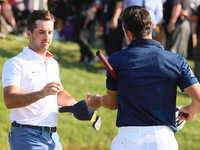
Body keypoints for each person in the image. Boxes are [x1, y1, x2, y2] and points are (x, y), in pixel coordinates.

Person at [85, 5, 200, 150]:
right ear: (151, 27)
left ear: (129, 34)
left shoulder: (116, 60)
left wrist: (97, 100)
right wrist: (190, 109)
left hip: (127, 140)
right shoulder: (176, 60)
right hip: (162, 141)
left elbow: (112, 104)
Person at [2, 10, 77, 150]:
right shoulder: (15, 63)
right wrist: (41, 93)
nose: (47, 37)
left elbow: (58, 92)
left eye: (50, 32)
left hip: (53, 137)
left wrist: (77, 105)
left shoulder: (52, 63)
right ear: (29, 34)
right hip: (26, 136)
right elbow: (9, 100)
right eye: (41, 32)